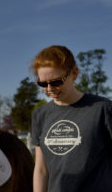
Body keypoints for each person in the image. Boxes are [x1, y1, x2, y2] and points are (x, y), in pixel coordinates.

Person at [31, 45, 112, 192]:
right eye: (43, 83)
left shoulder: (103, 109)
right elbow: (41, 170)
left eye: (56, 81)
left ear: (74, 73)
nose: (49, 89)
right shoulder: (40, 115)